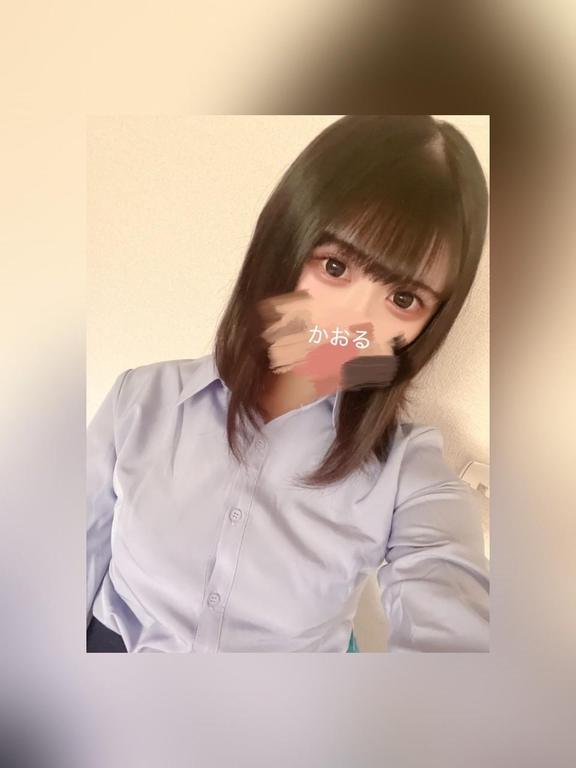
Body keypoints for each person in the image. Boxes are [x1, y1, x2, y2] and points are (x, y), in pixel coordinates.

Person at [87, 115, 489, 653]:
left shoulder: (406, 472)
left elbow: (450, 604)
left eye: (402, 299)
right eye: (335, 266)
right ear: (283, 245)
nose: (354, 322)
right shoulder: (140, 400)